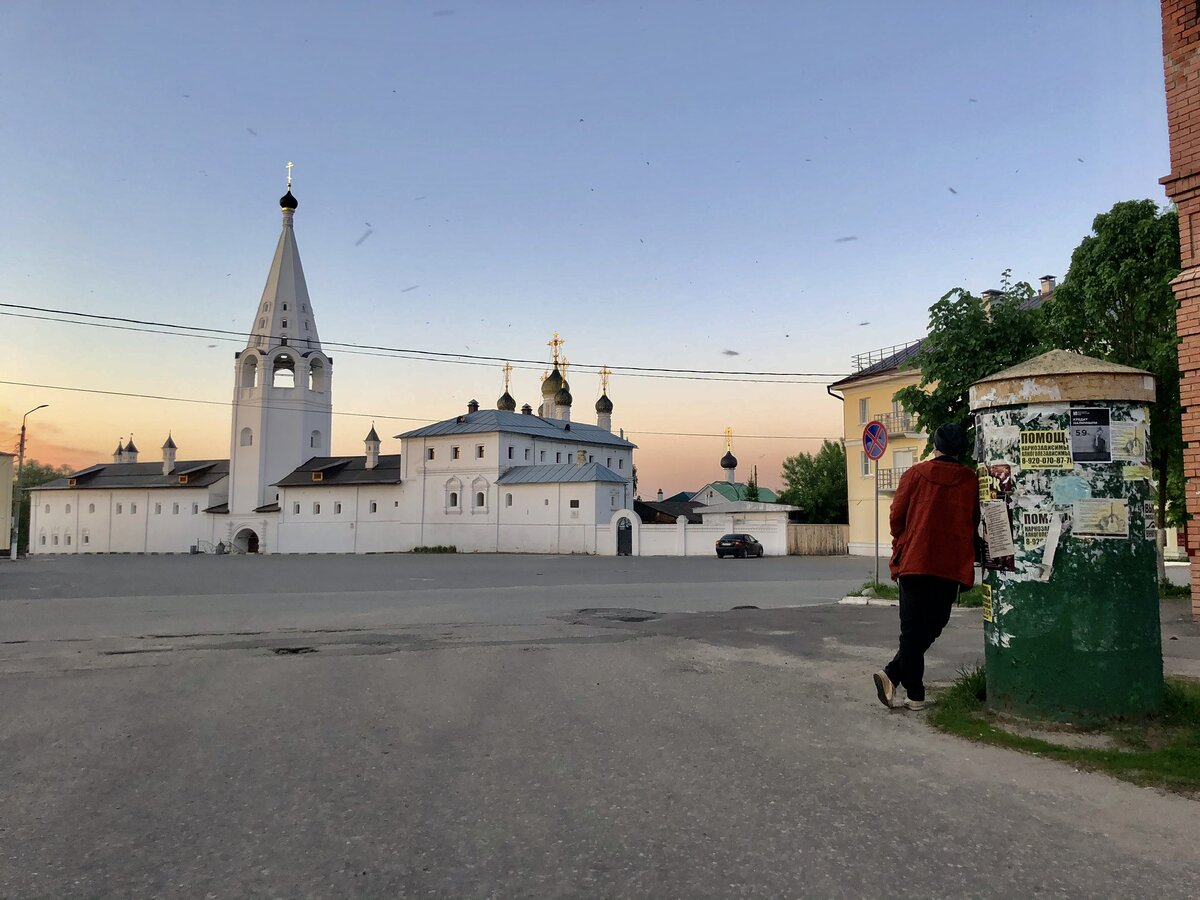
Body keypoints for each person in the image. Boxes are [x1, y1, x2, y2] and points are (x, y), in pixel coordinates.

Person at [873, 423, 980, 711]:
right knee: (931, 627)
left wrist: (904, 539)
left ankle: (893, 675)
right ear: (961, 450)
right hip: (949, 566)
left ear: (935, 445)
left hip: (915, 562)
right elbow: (974, 520)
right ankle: (915, 695)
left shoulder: (914, 475)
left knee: (912, 630)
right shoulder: (970, 481)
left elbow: (896, 517)